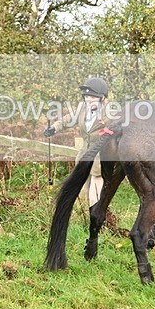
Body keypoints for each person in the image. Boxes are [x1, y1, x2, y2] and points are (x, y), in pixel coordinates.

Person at [43, 77, 115, 212]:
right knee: (81, 190)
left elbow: (116, 126)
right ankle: (80, 221)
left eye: (92, 97)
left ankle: (97, 219)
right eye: (86, 97)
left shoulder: (109, 111)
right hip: (84, 154)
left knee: (95, 193)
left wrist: (106, 122)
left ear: (102, 98)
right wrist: (54, 128)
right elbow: (68, 120)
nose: (88, 100)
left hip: (100, 156)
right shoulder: (82, 108)